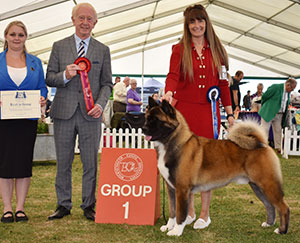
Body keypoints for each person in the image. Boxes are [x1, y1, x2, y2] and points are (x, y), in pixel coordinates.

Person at [162, 4, 234, 229]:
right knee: (184, 164)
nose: (196, 25)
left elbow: (223, 84)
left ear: (206, 22)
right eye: (192, 22)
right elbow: (173, 75)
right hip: (184, 114)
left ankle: (205, 213)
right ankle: (189, 212)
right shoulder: (178, 49)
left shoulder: (218, 51)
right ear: (187, 25)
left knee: (206, 163)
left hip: (207, 113)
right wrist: (169, 92)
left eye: (200, 21)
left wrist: (229, 113)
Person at [46, 3, 113, 221]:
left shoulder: (103, 50)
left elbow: (107, 84)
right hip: (63, 113)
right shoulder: (58, 46)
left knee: (90, 163)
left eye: (89, 19)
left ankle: (89, 205)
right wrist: (64, 75)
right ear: (73, 19)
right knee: (63, 162)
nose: (85, 22)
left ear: (95, 23)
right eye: (81, 18)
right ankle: (63, 205)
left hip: (91, 115)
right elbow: (49, 78)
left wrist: (101, 105)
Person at [0, 21, 48, 223]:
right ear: (6, 37)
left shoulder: (35, 62)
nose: (17, 38)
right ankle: (7, 208)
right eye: (13, 34)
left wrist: (43, 100)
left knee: (23, 163)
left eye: (20, 34)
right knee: (3, 164)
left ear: (26, 37)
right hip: (3, 121)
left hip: (26, 121)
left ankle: (20, 208)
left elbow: (42, 87)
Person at [259, 78, 297, 153]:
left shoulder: (288, 93)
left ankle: (279, 147)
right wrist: (266, 107)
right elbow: (264, 96)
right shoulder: (275, 87)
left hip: (279, 114)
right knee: (264, 129)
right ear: (288, 85)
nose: (292, 90)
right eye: (292, 88)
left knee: (278, 130)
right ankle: (262, 147)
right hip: (268, 112)